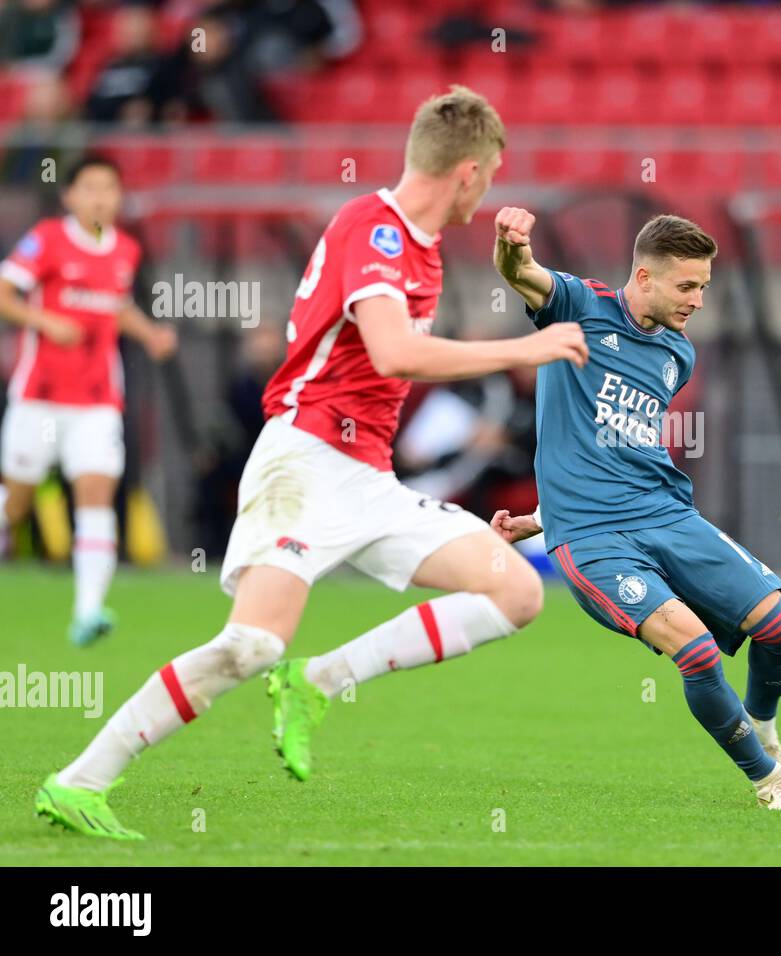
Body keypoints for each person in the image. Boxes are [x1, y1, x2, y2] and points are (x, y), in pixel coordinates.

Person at [34, 86, 588, 840]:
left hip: (365, 473)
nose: (488, 189)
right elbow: (395, 351)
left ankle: (323, 679)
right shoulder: (377, 229)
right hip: (305, 458)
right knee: (252, 645)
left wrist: (515, 264)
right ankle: (78, 782)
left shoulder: (417, 249)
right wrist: (522, 347)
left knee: (515, 591)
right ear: (466, 173)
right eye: (488, 174)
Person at [490, 210, 781, 811]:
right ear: (644, 276)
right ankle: (770, 779)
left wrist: (537, 514)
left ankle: (762, 723)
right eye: (687, 286)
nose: (698, 299)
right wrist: (513, 246)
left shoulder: (676, 355)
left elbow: (613, 442)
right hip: (592, 536)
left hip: (664, 513)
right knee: (695, 650)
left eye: (705, 287)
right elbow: (522, 274)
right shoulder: (579, 308)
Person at [0, 155, 177, 645]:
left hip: (98, 400)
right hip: (40, 397)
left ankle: (88, 611)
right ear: (70, 195)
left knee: (95, 495)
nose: (101, 197)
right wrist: (46, 322)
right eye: (91, 188)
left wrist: (148, 333)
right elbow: (4, 292)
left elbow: (115, 305)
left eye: (109, 189)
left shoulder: (124, 248)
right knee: (14, 504)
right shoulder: (48, 239)